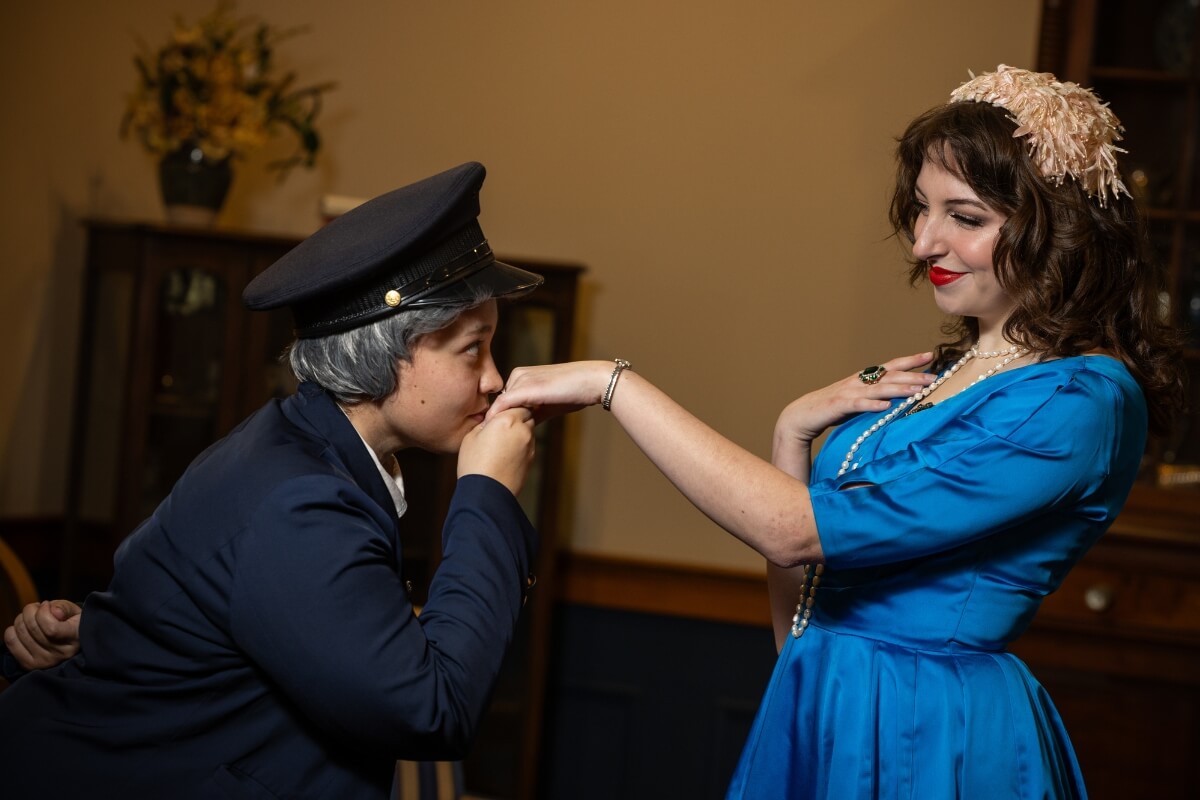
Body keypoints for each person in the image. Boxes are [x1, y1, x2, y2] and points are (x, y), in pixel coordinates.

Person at [488, 65, 1186, 798]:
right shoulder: (950, 372)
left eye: (965, 217)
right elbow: (802, 627)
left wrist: (614, 384)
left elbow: (793, 530)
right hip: (824, 706)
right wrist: (792, 434)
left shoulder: (1077, 400)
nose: (923, 243)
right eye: (920, 209)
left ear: (1059, 228)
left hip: (931, 734)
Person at [0, 162, 545, 799]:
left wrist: (103, 633)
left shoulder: (304, 445)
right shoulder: (301, 500)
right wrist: (488, 495)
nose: (494, 379)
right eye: (472, 349)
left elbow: (218, 619)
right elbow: (434, 712)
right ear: (387, 352)